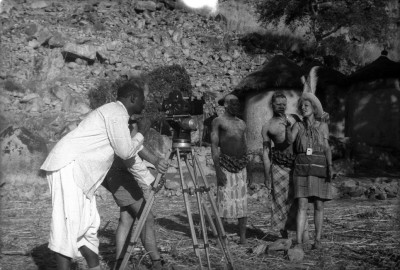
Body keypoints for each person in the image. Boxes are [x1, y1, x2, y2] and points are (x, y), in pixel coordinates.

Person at [41, 78, 148, 270]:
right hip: (69, 166)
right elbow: (126, 152)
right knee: (69, 224)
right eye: (142, 99)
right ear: (133, 98)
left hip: (81, 173)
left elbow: (129, 156)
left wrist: (149, 178)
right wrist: (142, 133)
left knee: (89, 226)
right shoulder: (116, 113)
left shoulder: (117, 116)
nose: (144, 104)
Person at [102, 118, 169, 270]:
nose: (144, 103)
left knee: (127, 218)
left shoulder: (129, 119)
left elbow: (135, 145)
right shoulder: (120, 120)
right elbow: (129, 156)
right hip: (118, 173)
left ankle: (120, 264)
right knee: (146, 218)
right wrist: (149, 179)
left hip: (122, 173)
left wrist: (156, 160)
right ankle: (157, 263)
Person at [261, 92, 308, 240]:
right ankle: (284, 235)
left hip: (296, 165)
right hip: (279, 167)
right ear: (272, 105)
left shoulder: (294, 118)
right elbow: (266, 152)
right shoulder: (268, 126)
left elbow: (308, 131)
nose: (281, 107)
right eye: (278, 104)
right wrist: (267, 175)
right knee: (280, 201)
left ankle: (303, 234)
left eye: (284, 104)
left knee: (299, 200)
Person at [289, 92, 333, 251]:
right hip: (302, 168)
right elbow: (288, 141)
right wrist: (287, 125)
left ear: (314, 108)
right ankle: (299, 242)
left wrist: (330, 166)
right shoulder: (297, 126)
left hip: (319, 167)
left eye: (306, 105)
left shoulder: (323, 126)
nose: (303, 107)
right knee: (302, 204)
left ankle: (318, 239)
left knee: (319, 205)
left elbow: (327, 147)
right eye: (301, 106)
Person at [211, 94, 249, 244]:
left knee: (242, 203)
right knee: (223, 201)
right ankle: (221, 236)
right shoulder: (218, 121)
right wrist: (218, 170)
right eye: (233, 104)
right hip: (225, 165)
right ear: (226, 105)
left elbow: (245, 146)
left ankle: (243, 237)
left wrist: (249, 169)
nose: (236, 106)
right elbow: (214, 147)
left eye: (238, 104)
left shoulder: (242, 124)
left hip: (241, 166)